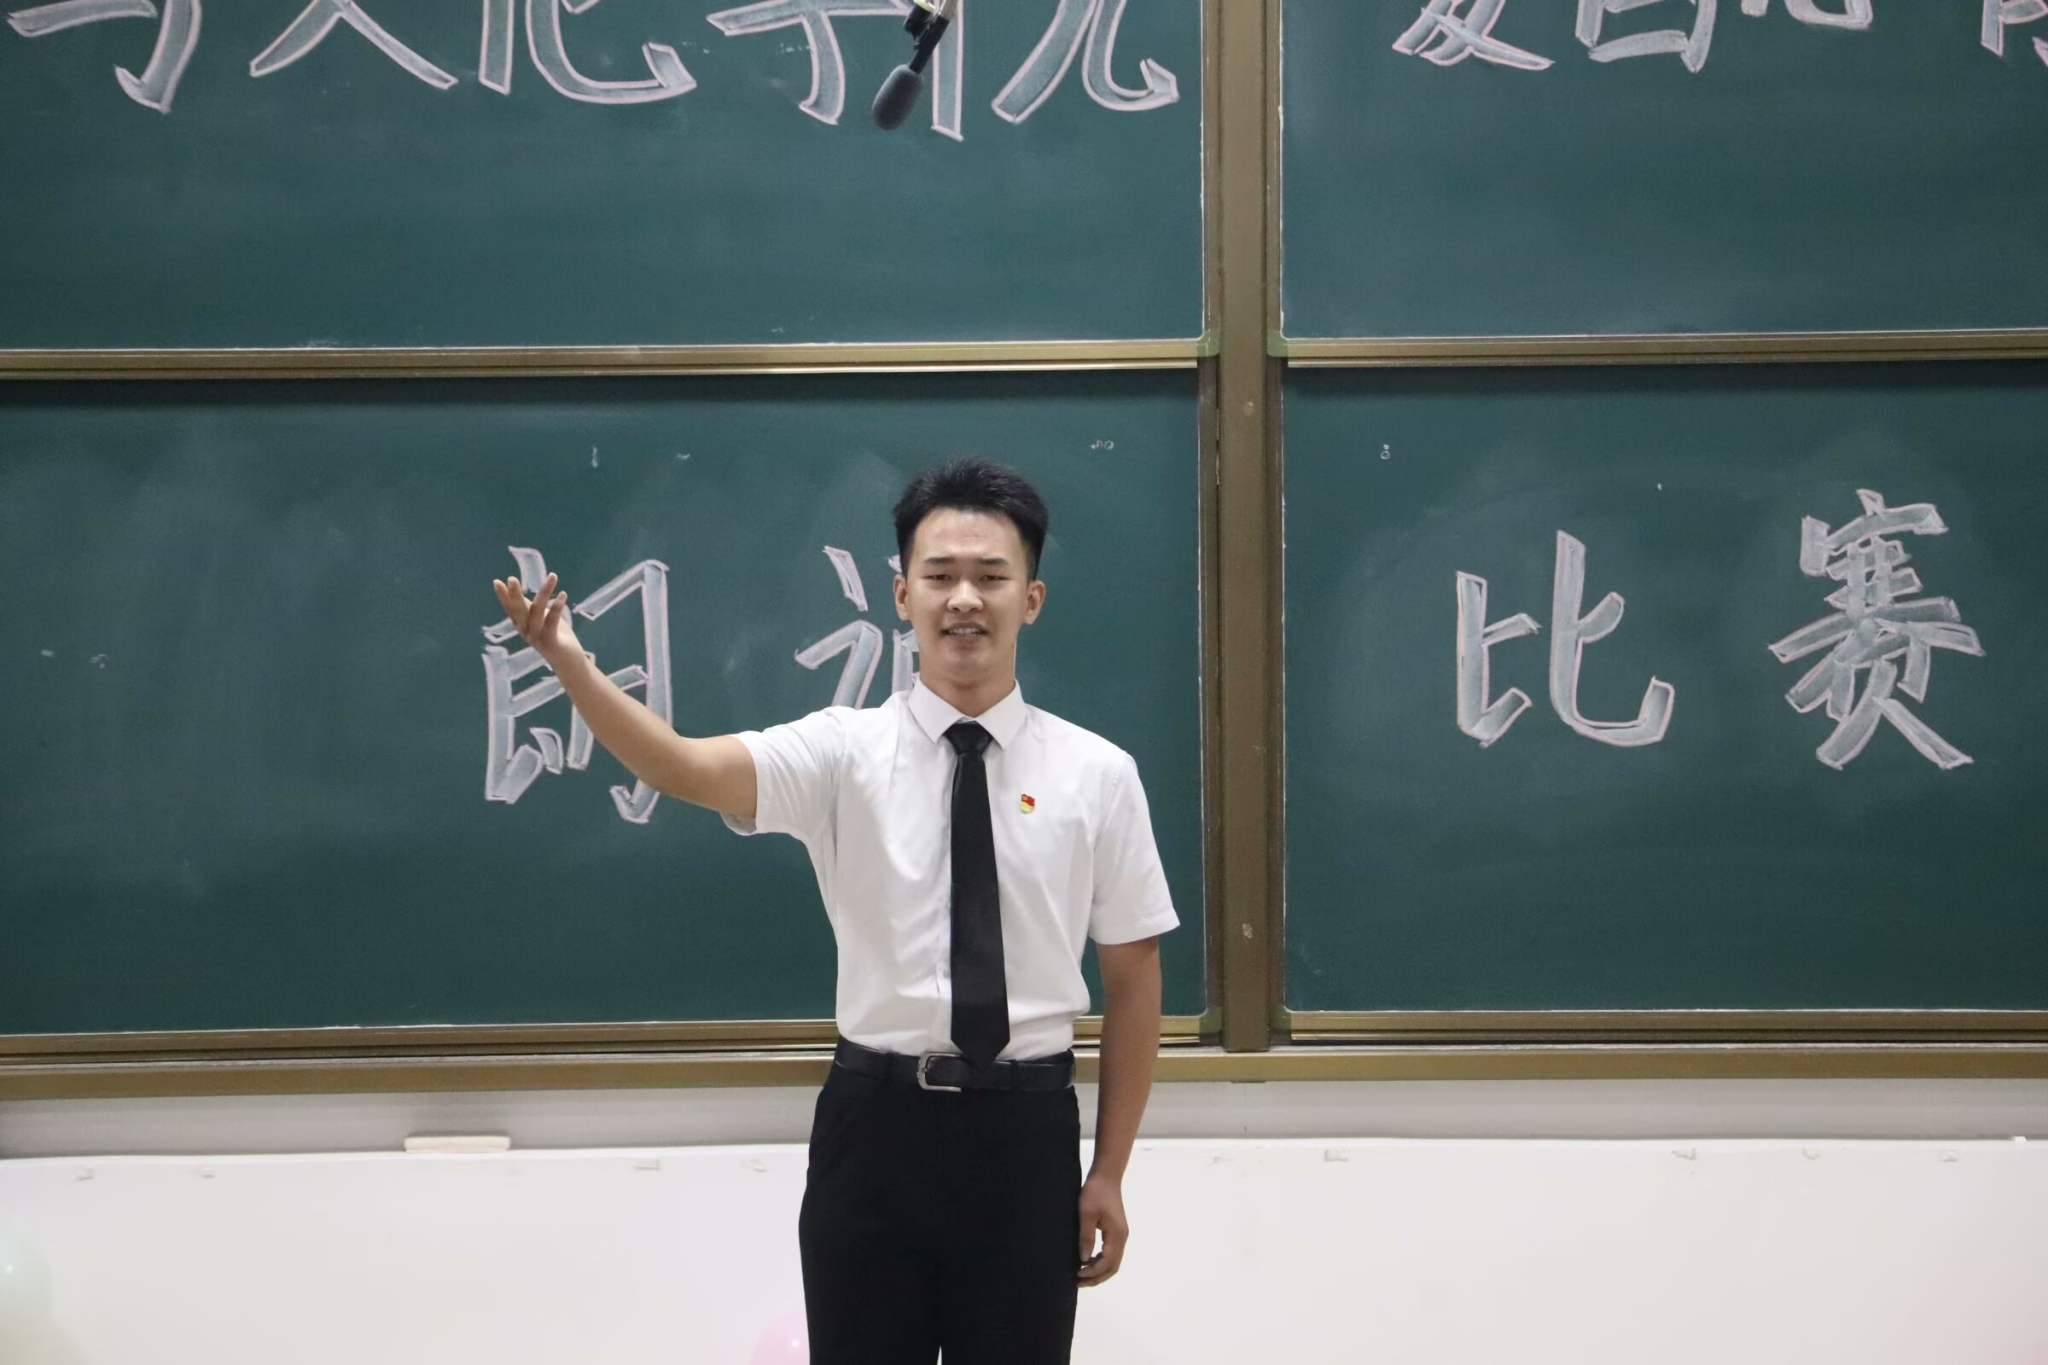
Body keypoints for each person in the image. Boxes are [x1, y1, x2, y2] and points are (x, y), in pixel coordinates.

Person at [490, 457, 1178, 1364]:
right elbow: (681, 766)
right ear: (902, 595)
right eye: (939, 574)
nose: (963, 598)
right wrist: (571, 665)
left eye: (990, 576)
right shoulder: (841, 753)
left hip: (1026, 1132)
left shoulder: (1099, 774)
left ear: (1032, 598)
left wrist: (1110, 1169)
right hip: (875, 1127)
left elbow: (1134, 978)